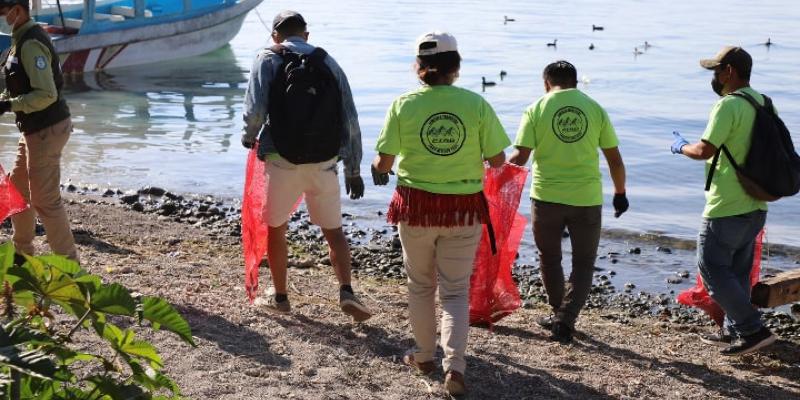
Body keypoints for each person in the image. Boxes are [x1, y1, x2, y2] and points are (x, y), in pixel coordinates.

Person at [372, 31, 510, 396]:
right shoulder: (476, 104)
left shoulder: (404, 104)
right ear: (458, 67)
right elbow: (498, 161)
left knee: (420, 286)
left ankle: (423, 356)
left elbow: (384, 162)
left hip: (415, 206)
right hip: (464, 209)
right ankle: (456, 368)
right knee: (454, 292)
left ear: (418, 67)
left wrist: (376, 165)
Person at [241, 10, 371, 322]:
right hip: (324, 161)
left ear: (275, 36)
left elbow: (255, 107)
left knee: (276, 228)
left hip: (282, 161)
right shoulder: (328, 62)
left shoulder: (267, 58)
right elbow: (349, 118)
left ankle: (281, 296)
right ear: (307, 35)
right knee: (334, 231)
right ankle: (347, 291)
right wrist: (353, 167)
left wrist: (249, 136)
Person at [509, 60, 628, 344]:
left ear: (546, 82)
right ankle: (566, 319)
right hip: (586, 199)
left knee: (549, 258)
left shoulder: (536, 108)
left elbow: (520, 158)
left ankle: (558, 313)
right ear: (575, 82)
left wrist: (488, 170)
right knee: (584, 263)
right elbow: (614, 158)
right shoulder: (595, 108)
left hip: (546, 198)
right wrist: (620, 193)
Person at [671, 46, 775, 355]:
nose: (714, 78)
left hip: (726, 205)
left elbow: (705, 150)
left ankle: (753, 330)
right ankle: (734, 332)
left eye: (716, 71)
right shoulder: (764, 103)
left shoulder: (728, 106)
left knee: (713, 270)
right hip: (756, 203)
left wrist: (679, 146)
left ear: (729, 71)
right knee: (738, 273)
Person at [0, 0, 78, 264]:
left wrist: (10, 105)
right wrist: (5, 100)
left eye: (2, 11)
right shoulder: (20, 39)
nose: (1, 17)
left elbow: (47, 94)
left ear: (17, 10)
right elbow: (19, 84)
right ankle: (22, 255)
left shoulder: (30, 43)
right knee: (18, 192)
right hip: (33, 130)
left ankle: (70, 268)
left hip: (47, 129)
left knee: (45, 201)